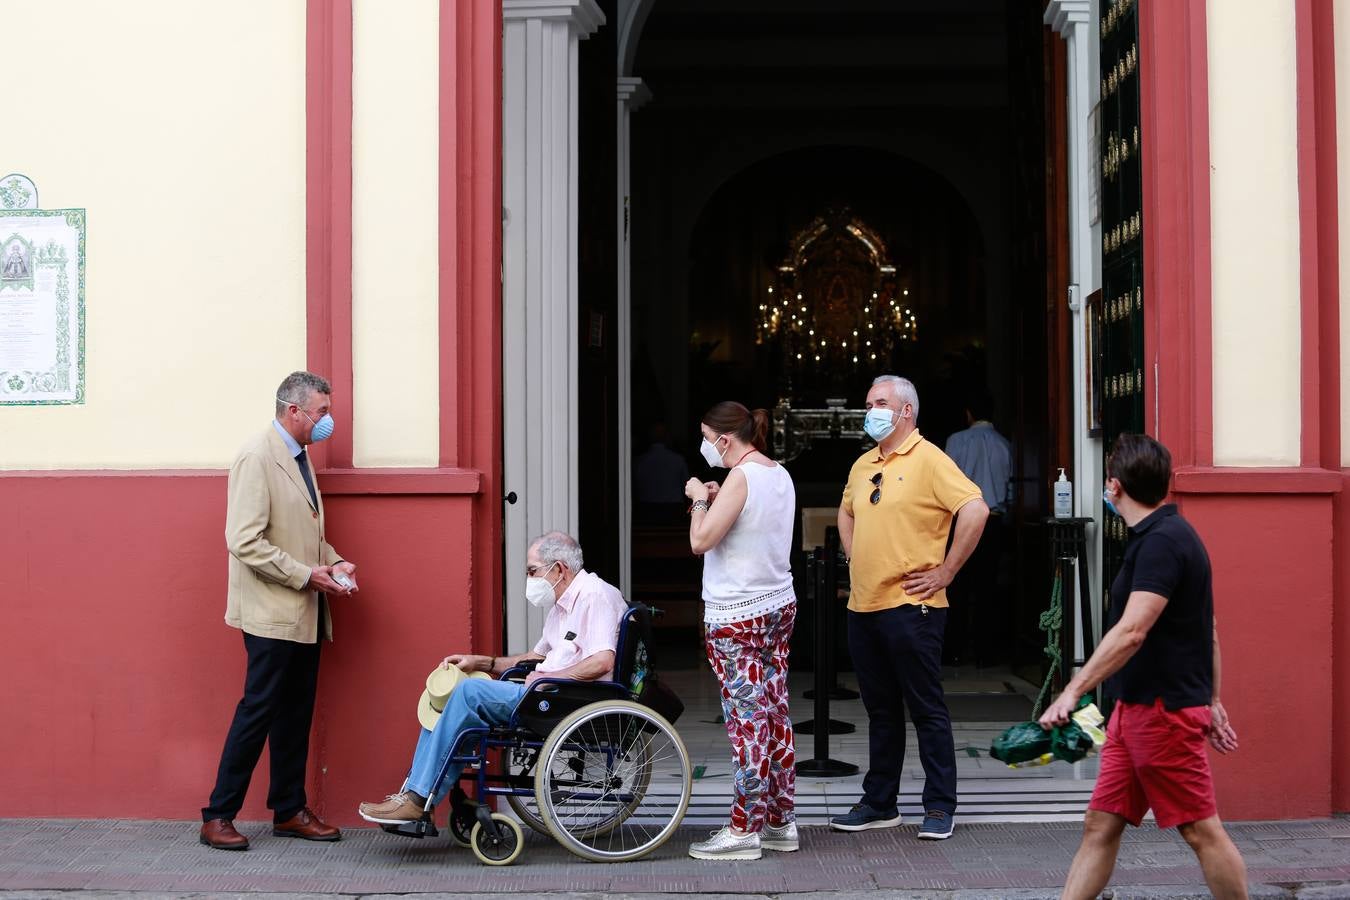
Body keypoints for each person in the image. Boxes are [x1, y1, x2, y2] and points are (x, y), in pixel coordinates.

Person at [1039, 434, 1247, 900]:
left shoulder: (1163, 543)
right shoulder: (1160, 537)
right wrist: (1212, 700)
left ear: (1113, 486)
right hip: (1135, 712)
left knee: (1200, 831)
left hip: (1162, 713)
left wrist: (1073, 690)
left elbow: (1133, 630)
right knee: (1101, 823)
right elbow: (1207, 629)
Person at [357, 531, 626, 824]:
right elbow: (535, 658)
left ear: (559, 569)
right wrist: (483, 661)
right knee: (451, 698)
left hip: (567, 699)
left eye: (532, 571)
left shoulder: (596, 595)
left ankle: (418, 797)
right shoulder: (562, 607)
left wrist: (547, 679)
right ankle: (416, 796)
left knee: (470, 692)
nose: (530, 579)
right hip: (546, 693)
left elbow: (602, 660)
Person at [200, 371, 358, 851]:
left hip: (302, 610)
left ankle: (288, 809)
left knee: (295, 712)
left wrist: (332, 561)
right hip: (272, 611)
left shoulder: (299, 456)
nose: (327, 421)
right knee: (259, 710)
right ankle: (218, 815)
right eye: (322, 412)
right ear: (294, 411)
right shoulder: (257, 456)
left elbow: (301, 532)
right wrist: (306, 575)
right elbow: (243, 541)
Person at [831, 375, 989, 841]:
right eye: (868, 403)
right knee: (880, 712)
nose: (870, 410)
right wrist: (853, 553)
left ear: (906, 412)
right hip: (864, 606)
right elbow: (846, 511)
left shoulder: (930, 459)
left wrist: (946, 572)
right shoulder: (863, 464)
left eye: (880, 402)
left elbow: (975, 510)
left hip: (912, 607)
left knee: (926, 709)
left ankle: (939, 806)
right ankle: (880, 802)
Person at [683, 402, 798, 861]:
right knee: (774, 713)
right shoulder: (779, 474)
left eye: (707, 437)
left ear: (725, 440)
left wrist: (696, 498)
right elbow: (750, 526)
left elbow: (700, 541)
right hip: (777, 606)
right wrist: (716, 497)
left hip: (737, 614)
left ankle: (742, 829)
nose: (706, 446)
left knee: (746, 722)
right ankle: (779, 820)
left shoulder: (741, 477)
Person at [944, 392, 1013, 666]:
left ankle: (953, 651)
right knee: (987, 589)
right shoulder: (1005, 445)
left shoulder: (956, 441)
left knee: (955, 587)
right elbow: (1011, 489)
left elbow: (943, 484)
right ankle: (985, 653)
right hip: (993, 522)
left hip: (960, 520)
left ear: (968, 413)